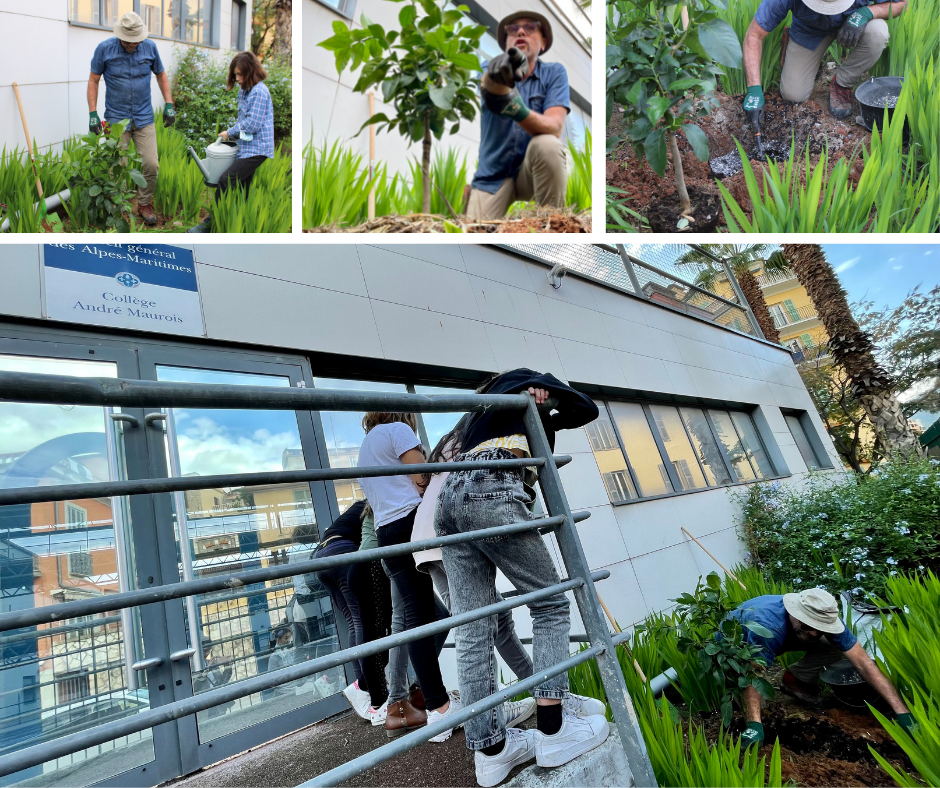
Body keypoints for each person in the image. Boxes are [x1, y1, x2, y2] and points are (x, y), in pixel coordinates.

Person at [435, 369, 608, 788]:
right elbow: (587, 409)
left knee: (474, 628)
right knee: (550, 603)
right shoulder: (522, 386)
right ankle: (553, 729)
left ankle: (490, 753)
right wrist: (547, 386)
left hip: (449, 498)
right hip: (492, 486)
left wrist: (540, 402)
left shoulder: (479, 414)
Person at [356, 412, 461, 742]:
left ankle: (437, 709)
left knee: (416, 617)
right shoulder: (396, 430)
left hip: (386, 533)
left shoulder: (364, 447)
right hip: (413, 523)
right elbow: (421, 476)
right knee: (457, 600)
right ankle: (443, 708)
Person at [730, 588, 915, 749]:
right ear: (795, 614)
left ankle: (795, 679)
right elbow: (753, 674)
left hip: (779, 635)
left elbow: (864, 663)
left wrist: (901, 711)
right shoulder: (766, 626)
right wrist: (754, 724)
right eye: (809, 626)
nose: (815, 633)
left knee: (833, 644)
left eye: (820, 628)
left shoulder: (824, 618)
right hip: (732, 647)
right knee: (754, 707)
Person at [467, 12, 570, 220]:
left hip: (532, 171)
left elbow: (555, 126)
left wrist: (514, 107)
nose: (521, 31)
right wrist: (494, 79)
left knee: (548, 145)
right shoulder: (488, 68)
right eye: (513, 30)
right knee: (473, 236)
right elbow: (489, 84)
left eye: (530, 27)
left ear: (543, 43)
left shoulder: (555, 73)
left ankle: (551, 224)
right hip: (492, 176)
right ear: (506, 45)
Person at [741, 0, 907, 121]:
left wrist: (865, 13)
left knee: (878, 33)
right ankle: (809, 60)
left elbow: (902, 4)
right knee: (793, 97)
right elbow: (754, 35)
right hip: (809, 32)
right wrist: (754, 89)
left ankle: (842, 82)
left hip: (854, 24)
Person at [87, 12, 174, 226]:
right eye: (128, 41)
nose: (132, 45)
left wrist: (169, 103)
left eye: (136, 41)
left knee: (151, 164)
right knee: (117, 165)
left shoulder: (150, 47)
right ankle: (120, 207)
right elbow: (94, 80)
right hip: (116, 120)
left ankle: (144, 203)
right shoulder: (104, 49)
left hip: (144, 117)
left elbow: (161, 74)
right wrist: (92, 113)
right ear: (120, 35)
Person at [314, 500, 390, 724]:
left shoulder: (357, 507)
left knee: (353, 620)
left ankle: (363, 688)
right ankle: (365, 686)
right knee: (362, 622)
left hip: (321, 556)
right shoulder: (374, 502)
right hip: (343, 551)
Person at [187, 51, 275, 232]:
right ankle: (242, 222)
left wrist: (230, 132)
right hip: (247, 147)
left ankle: (211, 225)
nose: (238, 78)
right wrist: (234, 134)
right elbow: (243, 119)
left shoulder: (259, 91)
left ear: (250, 71)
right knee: (243, 188)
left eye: (240, 74)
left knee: (226, 180)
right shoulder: (245, 91)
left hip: (258, 149)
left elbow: (252, 124)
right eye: (235, 74)